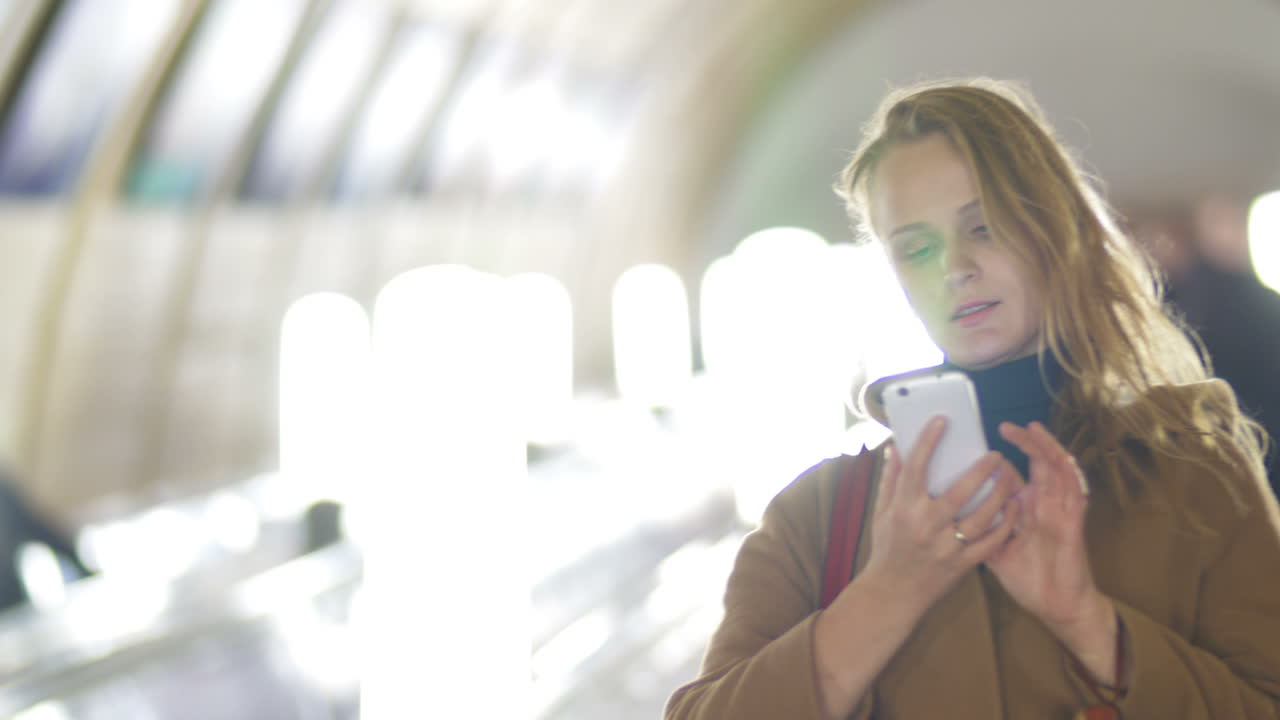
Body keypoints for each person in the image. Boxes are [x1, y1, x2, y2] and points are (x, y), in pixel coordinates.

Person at [665, 78, 1280, 719]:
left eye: (984, 227)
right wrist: (886, 593)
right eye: (917, 248)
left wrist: (1093, 627)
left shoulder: (1194, 477)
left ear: (1053, 228)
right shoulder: (819, 518)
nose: (955, 267)